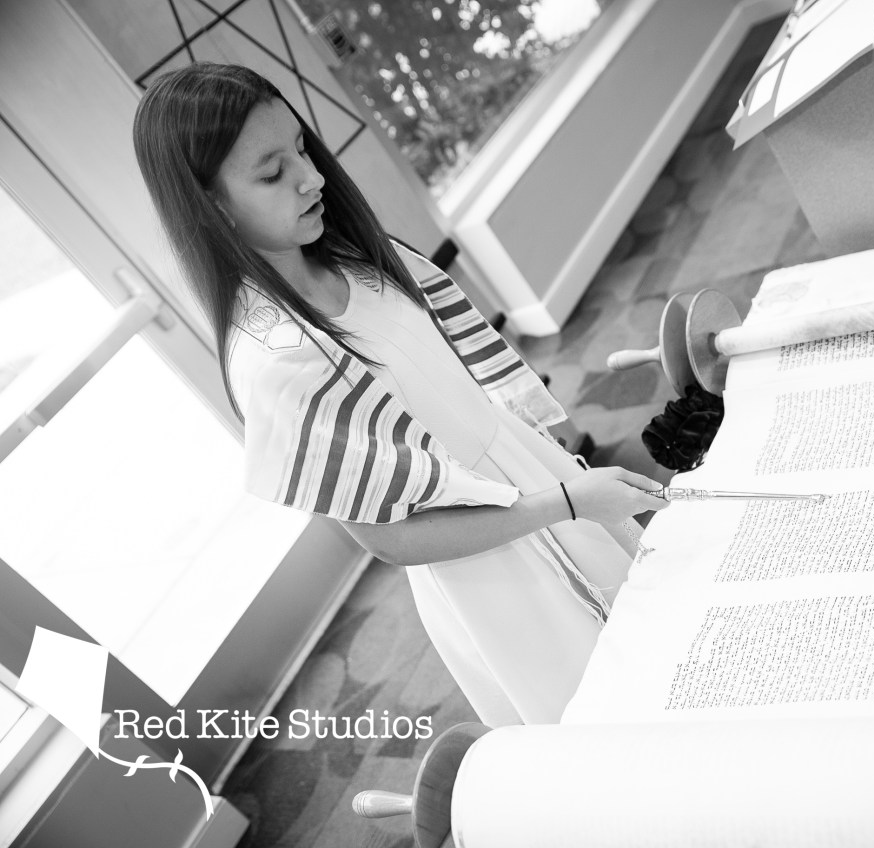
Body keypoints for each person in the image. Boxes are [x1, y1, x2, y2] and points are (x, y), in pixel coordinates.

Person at [132, 62, 667, 726]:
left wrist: (554, 477)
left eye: (301, 148)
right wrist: (562, 503)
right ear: (211, 206)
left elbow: (461, 380)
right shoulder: (278, 361)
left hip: (538, 482)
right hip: (488, 557)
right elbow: (390, 539)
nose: (311, 178)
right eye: (272, 174)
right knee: (606, 709)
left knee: (656, 647)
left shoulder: (355, 257)